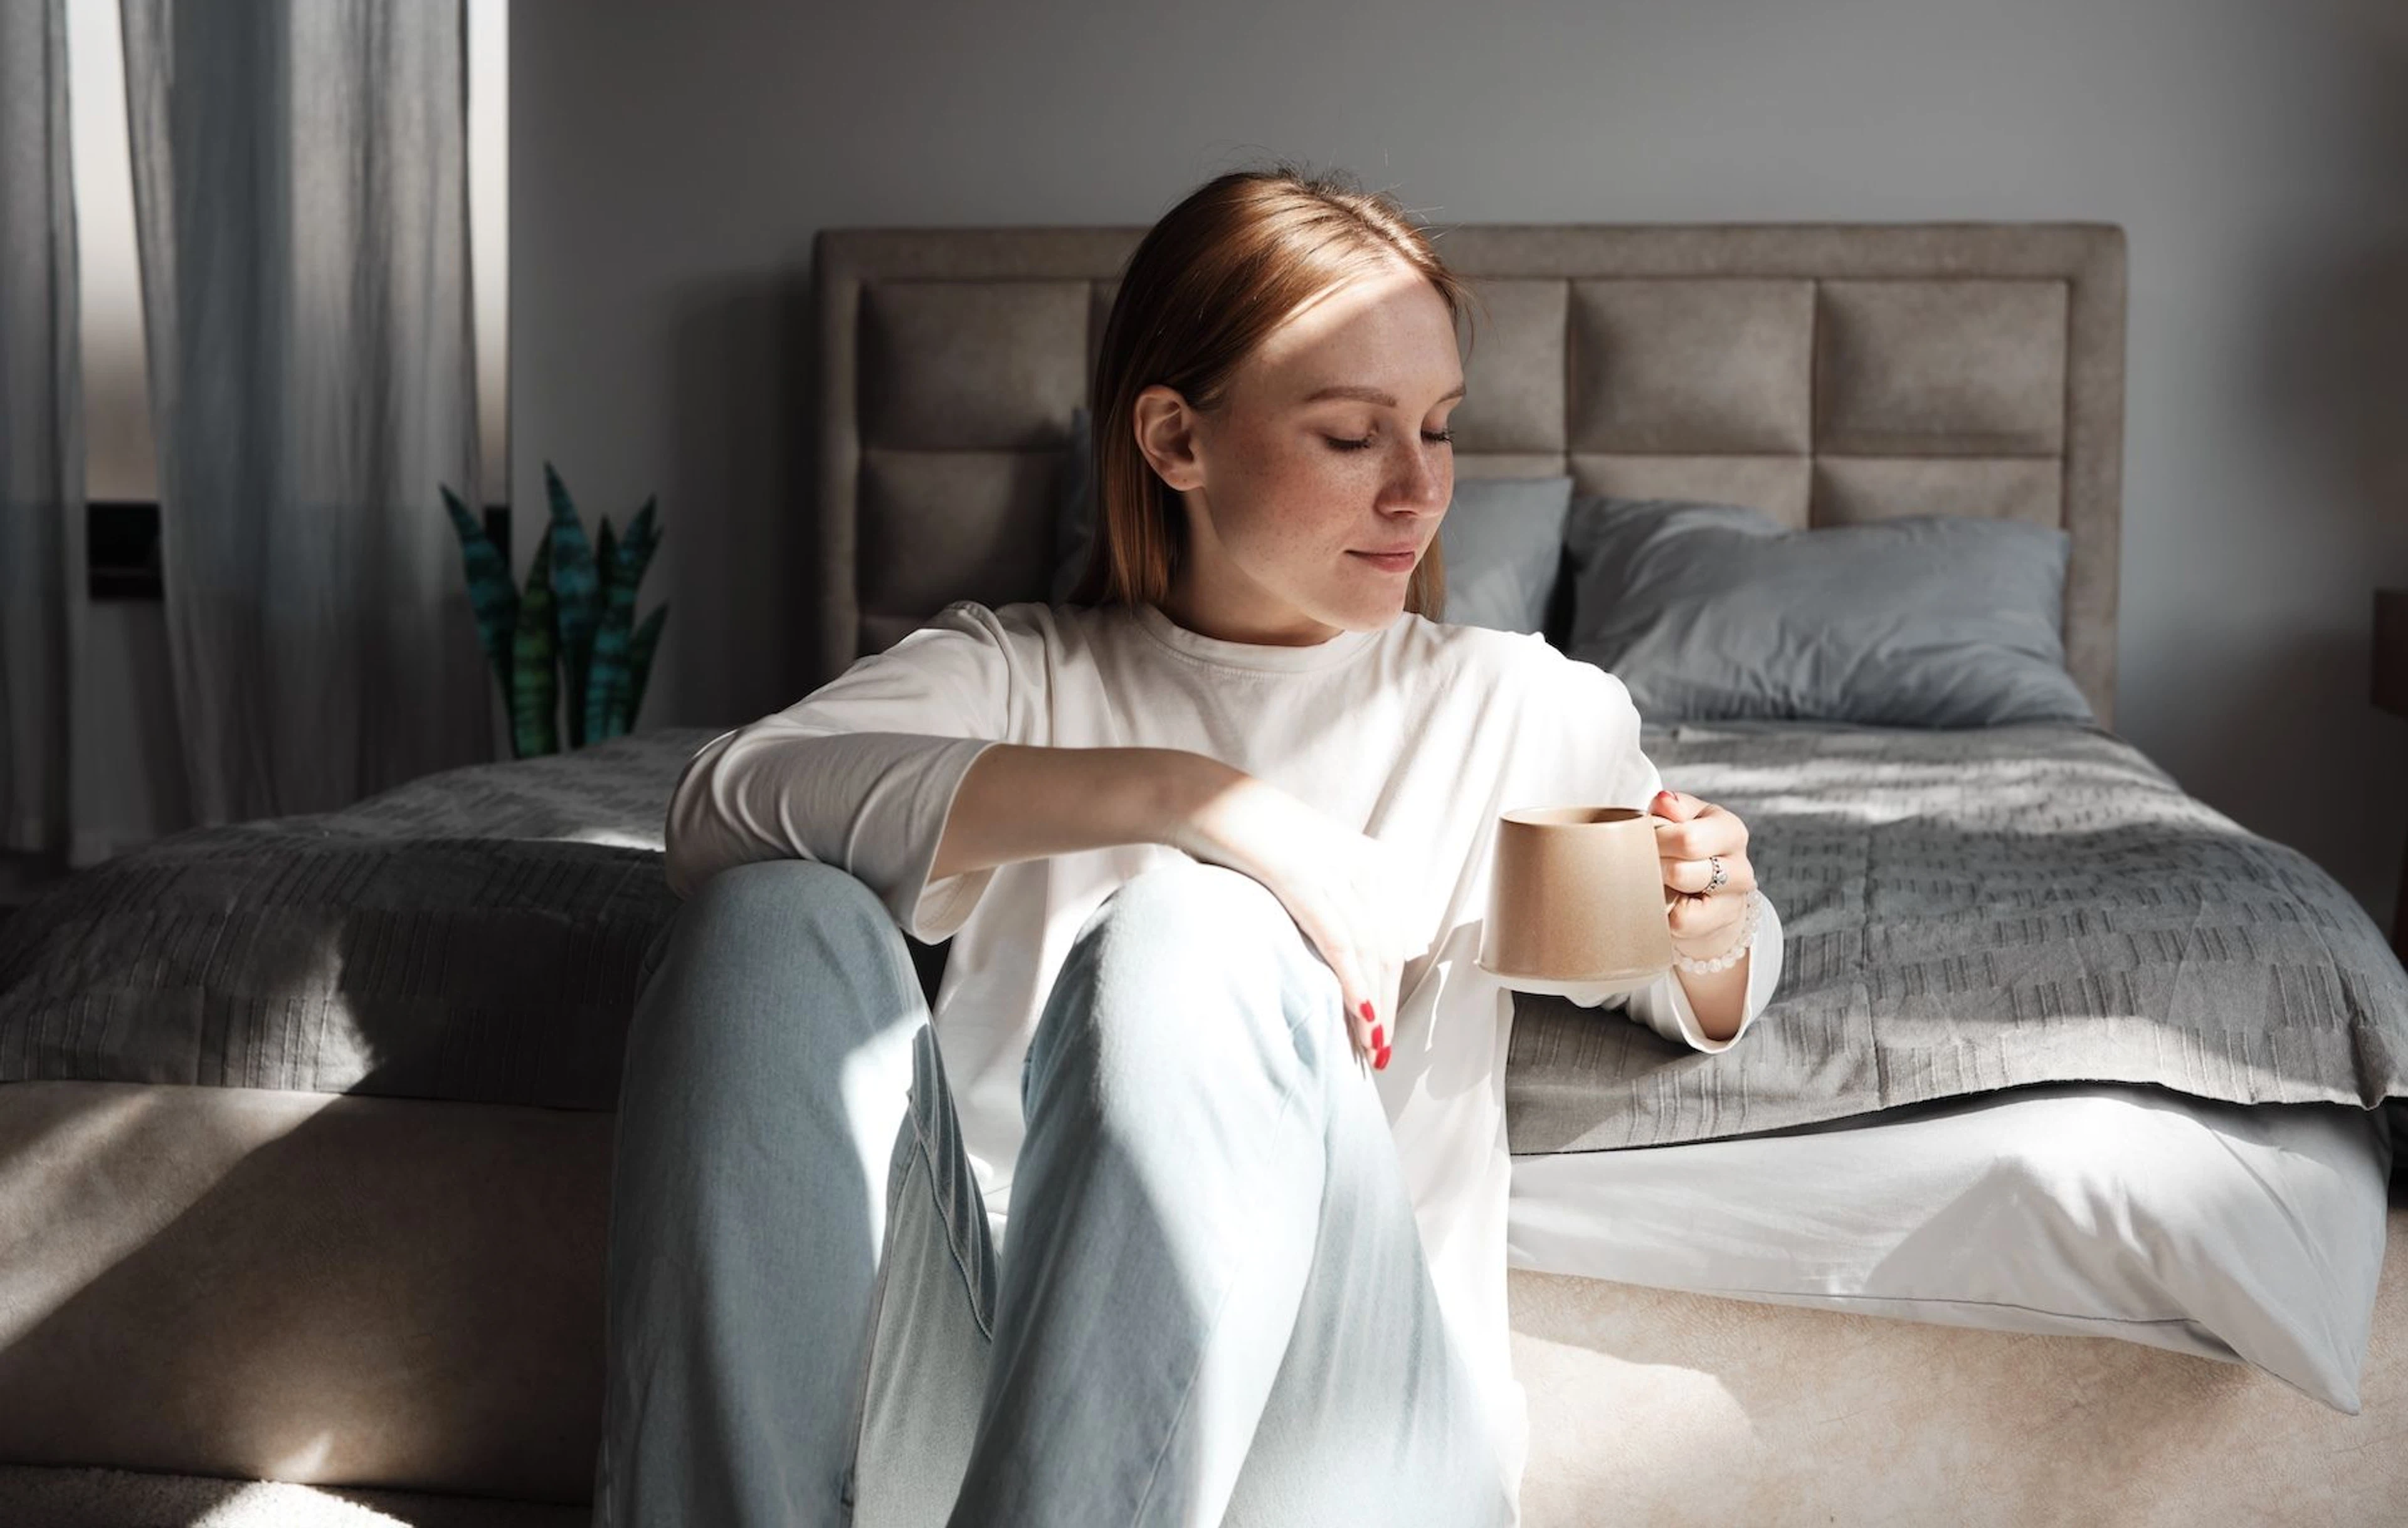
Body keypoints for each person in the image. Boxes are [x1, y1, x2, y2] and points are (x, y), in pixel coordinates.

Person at [591, 163, 1783, 1528]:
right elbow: (723, 803)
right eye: (1352, 436)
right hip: (974, 1422)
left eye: (1442, 429)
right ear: (1175, 438)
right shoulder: (1016, 673)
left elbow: (1697, 984)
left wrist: (1711, 921)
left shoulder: (1518, 707)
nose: (1420, 491)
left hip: (1339, 1441)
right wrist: (1195, 797)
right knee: (764, 923)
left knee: (1192, 935)